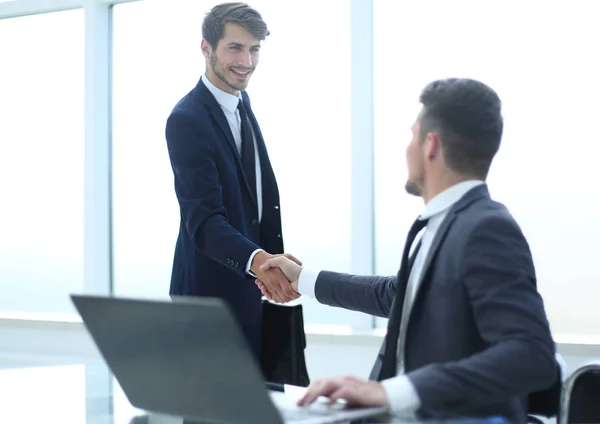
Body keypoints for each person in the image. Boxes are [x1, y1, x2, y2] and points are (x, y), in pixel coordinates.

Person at [257, 78, 557, 423]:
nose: (406, 148)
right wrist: (303, 280)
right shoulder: (445, 224)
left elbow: (531, 355)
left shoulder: (486, 228)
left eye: (412, 135)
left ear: (431, 145)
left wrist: (392, 392)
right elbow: (398, 295)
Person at [164, 2, 299, 361]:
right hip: (208, 305)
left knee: (262, 412)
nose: (248, 61)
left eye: (254, 49)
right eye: (235, 48)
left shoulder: (242, 104)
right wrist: (261, 263)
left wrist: (268, 265)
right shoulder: (187, 119)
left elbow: (253, 204)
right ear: (206, 48)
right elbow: (205, 221)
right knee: (213, 415)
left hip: (253, 297)